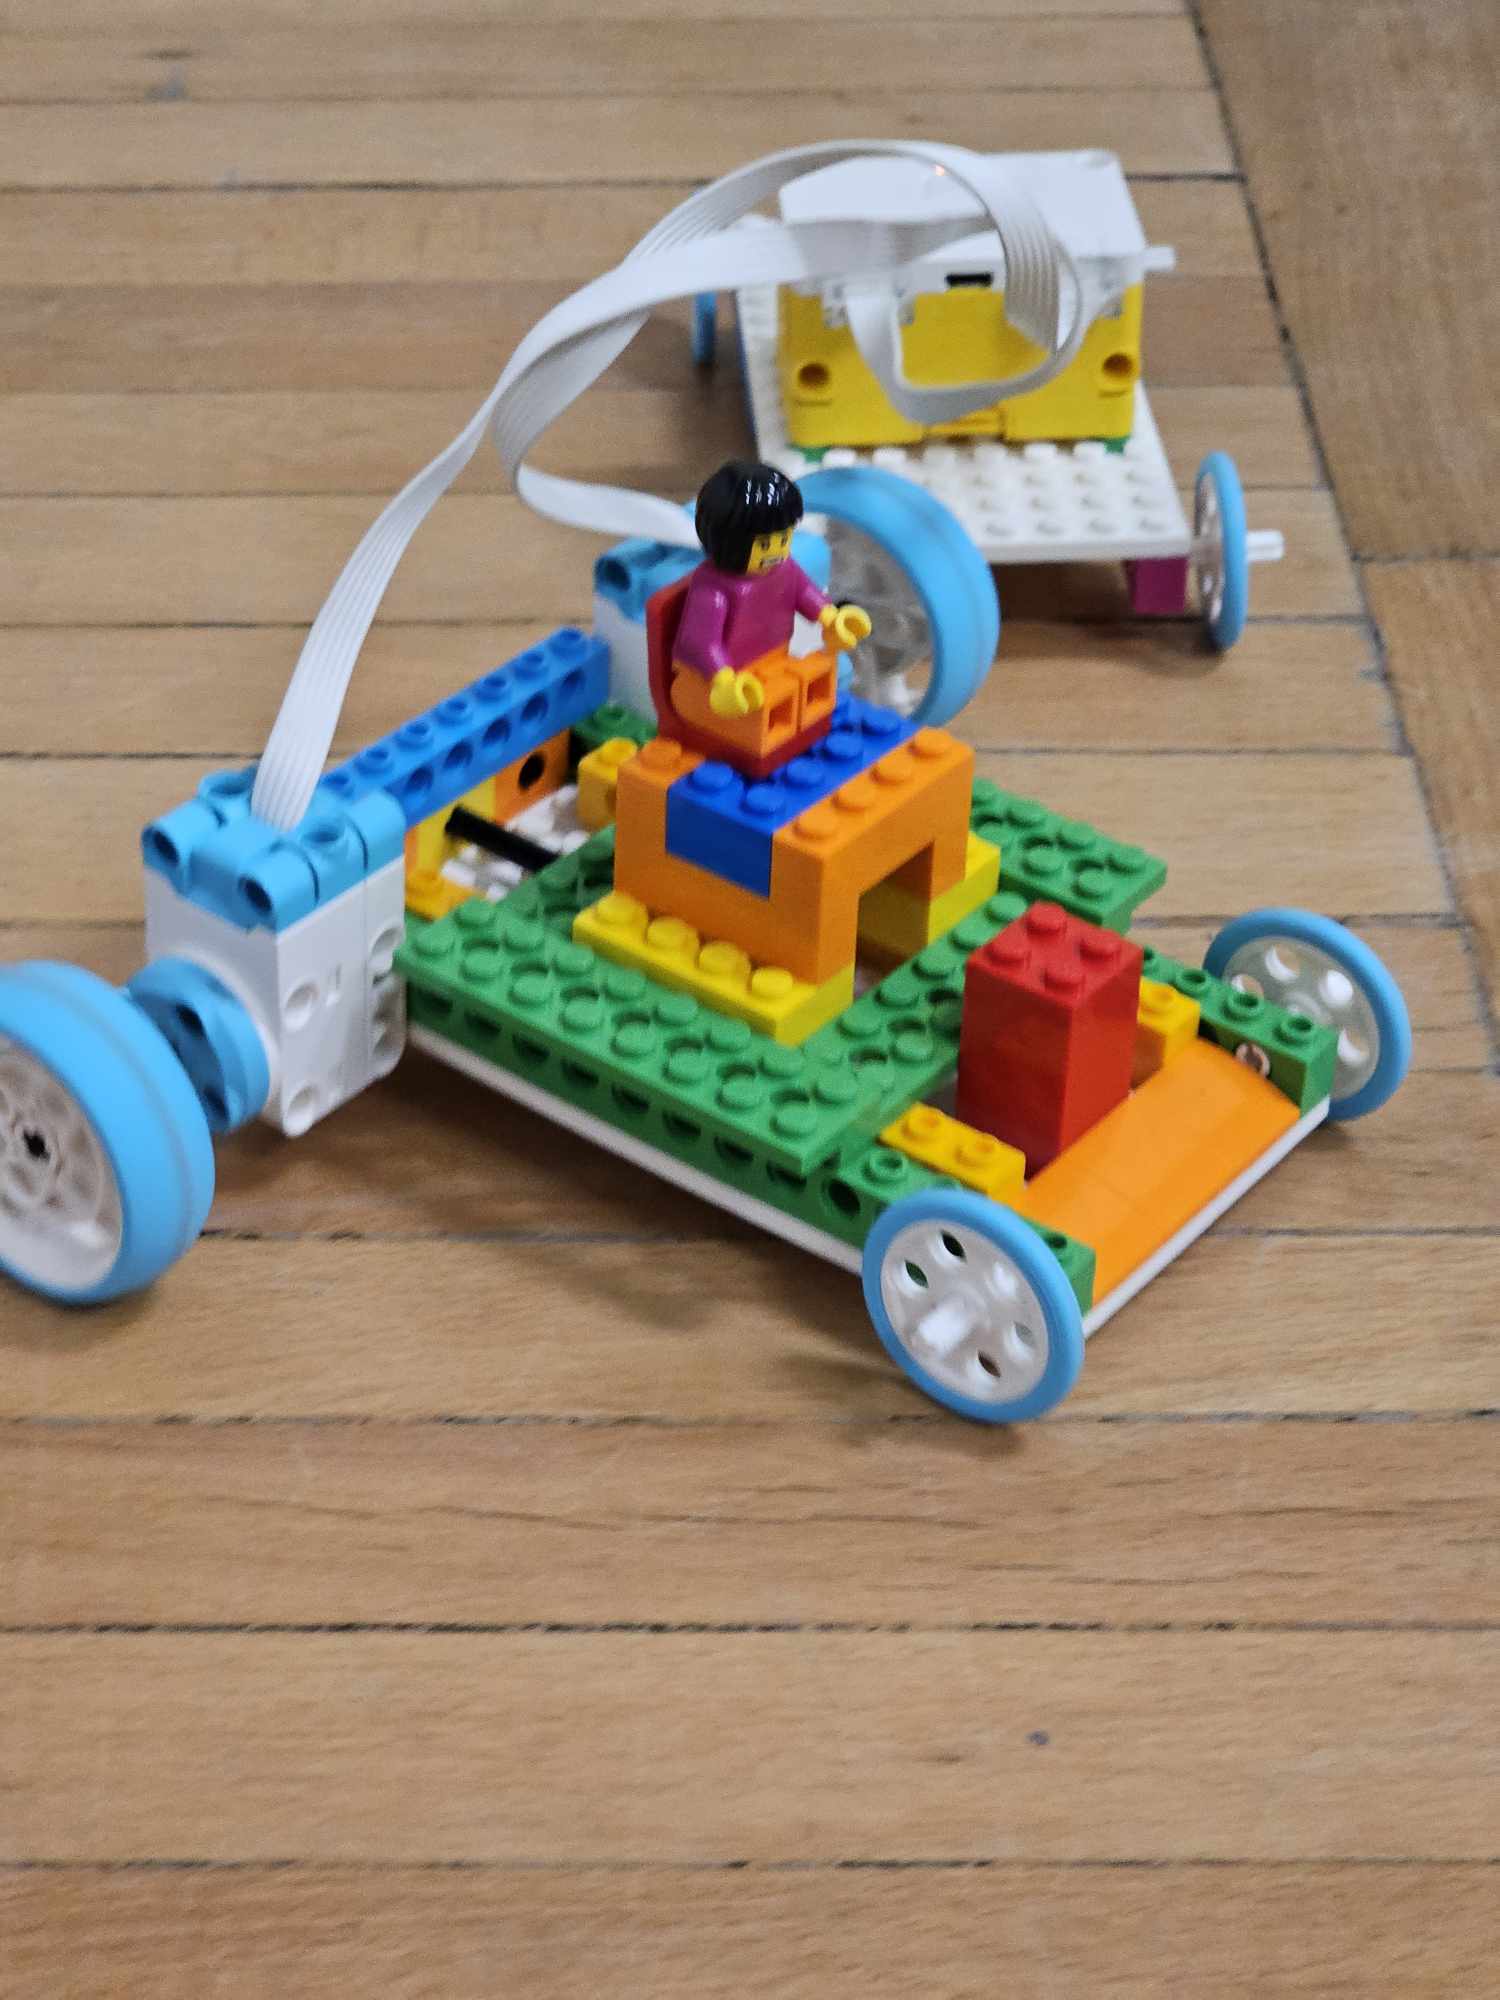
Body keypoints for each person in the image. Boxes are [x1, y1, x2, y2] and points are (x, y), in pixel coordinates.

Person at [673, 461, 872, 719]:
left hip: (774, 662)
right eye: (765, 545)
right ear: (730, 543)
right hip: (711, 686)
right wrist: (723, 678)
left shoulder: (784, 568)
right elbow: (700, 643)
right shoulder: (713, 592)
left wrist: (831, 618)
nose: (777, 552)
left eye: (784, 538)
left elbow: (804, 593)